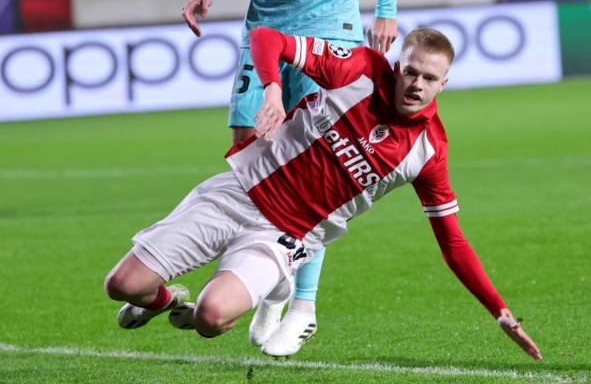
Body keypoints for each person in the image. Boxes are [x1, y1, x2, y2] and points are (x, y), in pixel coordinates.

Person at [103, 28, 543, 361]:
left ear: (443, 84)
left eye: (430, 78)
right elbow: (265, 37)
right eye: (410, 71)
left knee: (211, 320)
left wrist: (500, 311)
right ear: (397, 65)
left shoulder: (428, 151)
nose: (416, 84)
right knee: (122, 285)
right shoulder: (359, 70)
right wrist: (274, 88)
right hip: (238, 192)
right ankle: (166, 299)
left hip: (283, 236)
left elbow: (453, 243)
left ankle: (275, 285)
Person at [179, 0, 400, 356]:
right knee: (248, 149)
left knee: (309, 169)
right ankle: (273, 275)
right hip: (266, 34)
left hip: (331, 35)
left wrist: (387, 9)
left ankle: (302, 303)